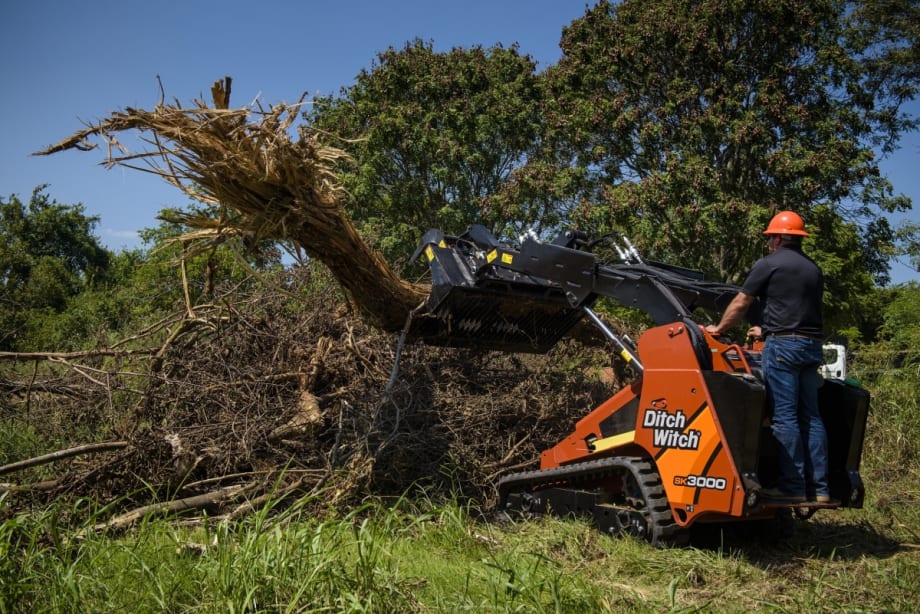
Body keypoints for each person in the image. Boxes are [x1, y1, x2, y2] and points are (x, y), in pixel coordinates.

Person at [705, 211, 832, 504]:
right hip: (812, 346)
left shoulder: (769, 264)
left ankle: (793, 486)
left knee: (784, 417)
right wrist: (765, 326)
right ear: (798, 238)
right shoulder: (813, 269)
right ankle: (820, 488)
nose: (769, 243)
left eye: (770, 237)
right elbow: (796, 307)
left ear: (778, 237)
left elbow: (742, 301)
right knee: (811, 417)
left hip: (783, 348)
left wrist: (720, 328)